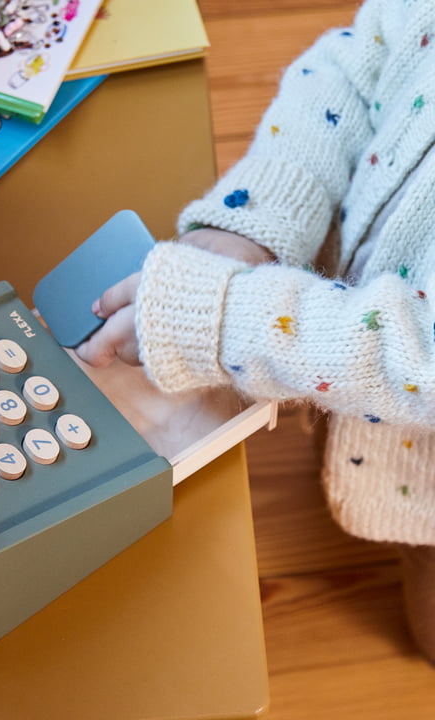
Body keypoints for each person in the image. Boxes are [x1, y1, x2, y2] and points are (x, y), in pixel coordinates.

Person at [75, 0, 435, 663]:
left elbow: (423, 359)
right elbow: (357, 66)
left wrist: (226, 319)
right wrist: (254, 220)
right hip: (340, 350)